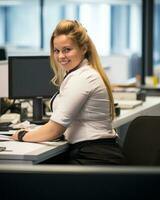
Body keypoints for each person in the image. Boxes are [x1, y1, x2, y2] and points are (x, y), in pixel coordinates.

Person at [12, 19, 125, 165]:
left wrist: (21, 135)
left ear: (83, 48)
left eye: (67, 50)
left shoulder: (83, 77)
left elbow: (54, 130)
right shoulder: (78, 74)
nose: (60, 56)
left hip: (95, 157)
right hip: (91, 152)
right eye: (56, 51)